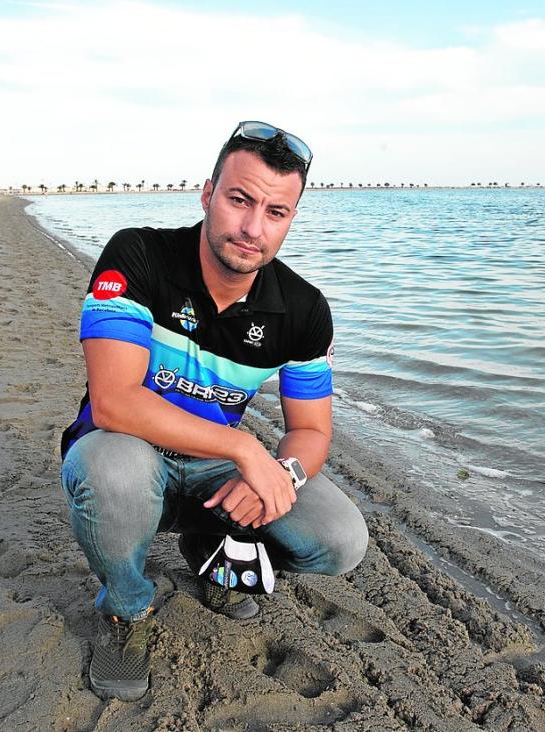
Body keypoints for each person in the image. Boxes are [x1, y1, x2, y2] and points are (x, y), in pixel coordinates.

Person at [59, 121, 368, 701]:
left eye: (276, 212)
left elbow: (310, 430)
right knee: (112, 472)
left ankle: (212, 551)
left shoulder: (304, 310)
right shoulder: (139, 255)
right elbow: (114, 400)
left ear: (292, 218)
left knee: (340, 538)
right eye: (239, 200)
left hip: (209, 472)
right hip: (125, 450)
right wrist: (245, 448)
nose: (253, 228)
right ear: (207, 195)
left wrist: (283, 475)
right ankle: (126, 608)